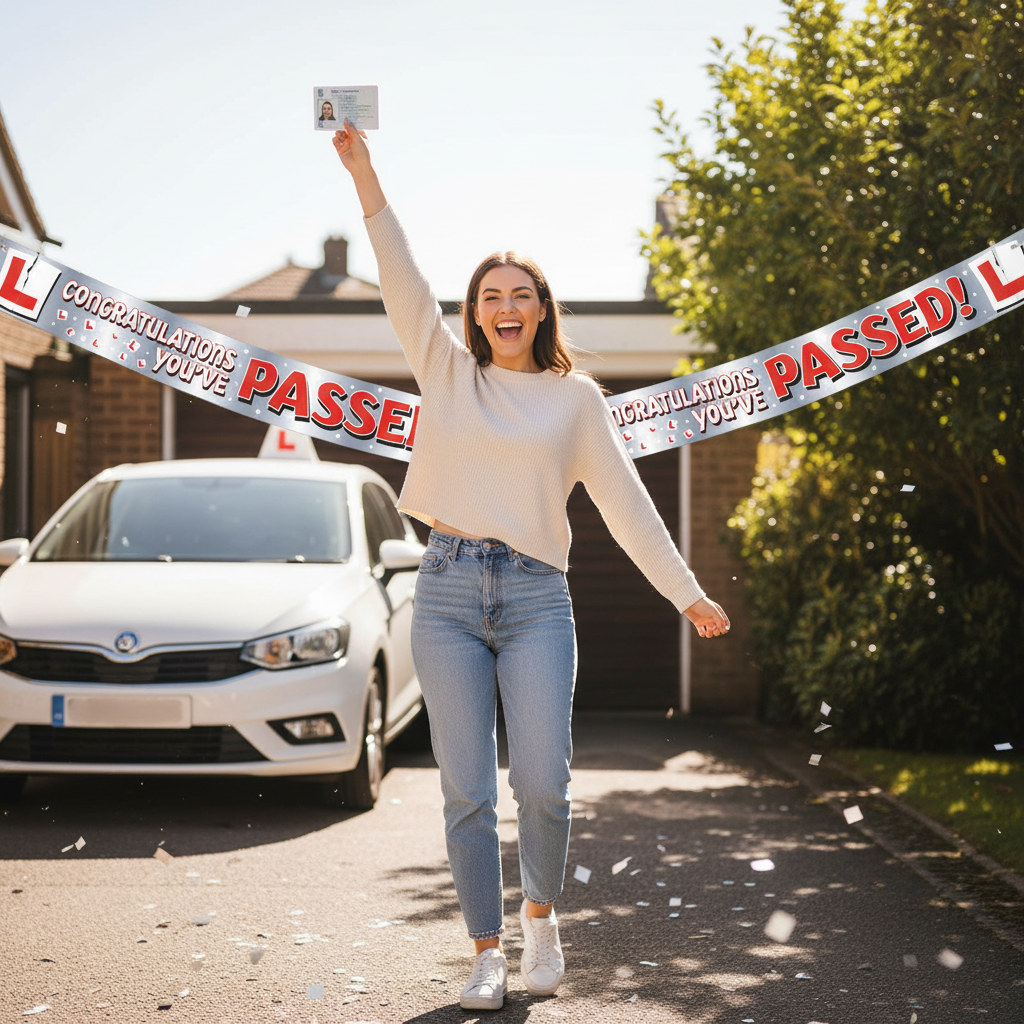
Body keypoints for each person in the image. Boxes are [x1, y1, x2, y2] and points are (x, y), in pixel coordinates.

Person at [332, 118, 729, 1011]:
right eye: (489, 295)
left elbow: (628, 506)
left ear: (543, 308)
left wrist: (687, 592)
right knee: (465, 793)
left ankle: (541, 920)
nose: (504, 307)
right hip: (443, 594)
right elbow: (403, 276)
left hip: (536, 598)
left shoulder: (576, 400)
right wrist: (365, 174)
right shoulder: (444, 371)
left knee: (542, 782)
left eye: (522, 293)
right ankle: (484, 952)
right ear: (473, 312)